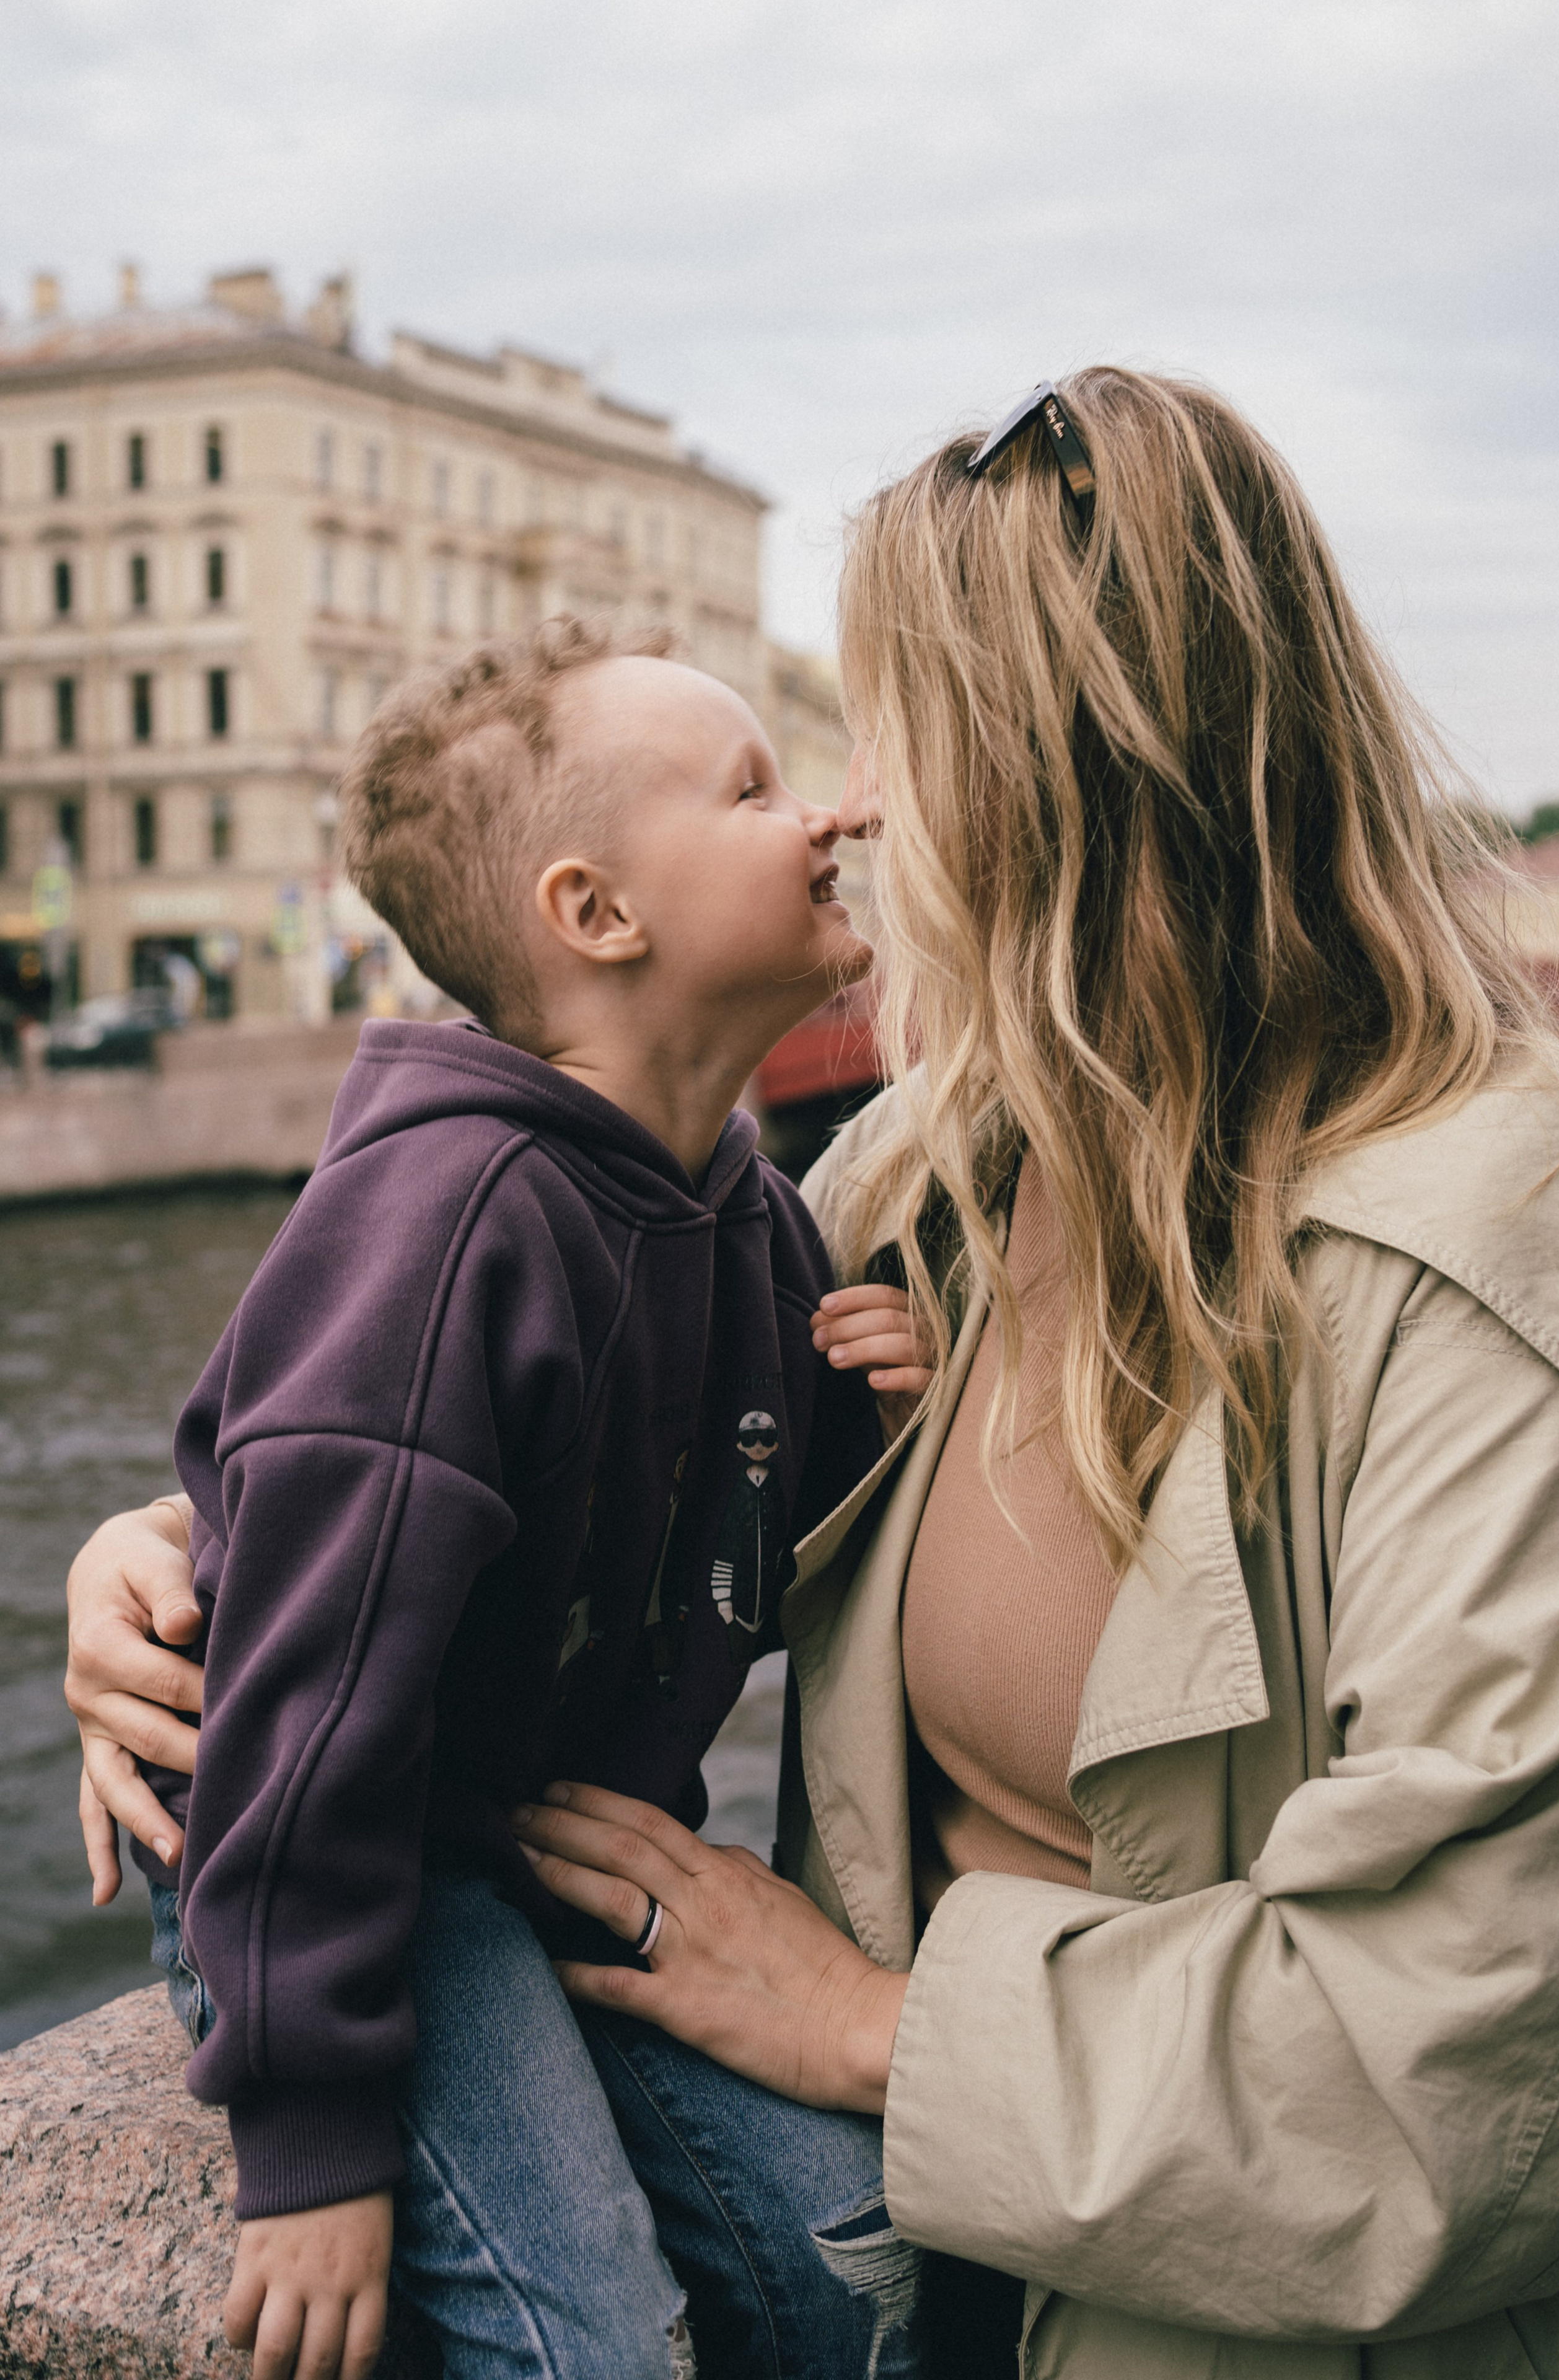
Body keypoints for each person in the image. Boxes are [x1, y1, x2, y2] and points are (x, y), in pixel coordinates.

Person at [68, 368, 1559, 2379]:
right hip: (905, 2245)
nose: (851, 809)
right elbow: (459, 1441)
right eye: (788, 773)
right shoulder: (914, 1183)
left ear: (1065, 781)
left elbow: (1468, 2080)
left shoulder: (1484, 1274)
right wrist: (169, 1559)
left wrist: (879, 2028)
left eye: (893, 742)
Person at [88, 615, 939, 2380]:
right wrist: (313, 2141)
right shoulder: (449, 1227)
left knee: (851, 2261)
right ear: (596, 913)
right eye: (753, 790)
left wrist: (894, 1416)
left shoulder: (751, 1215)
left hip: (535, 1832)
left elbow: (756, 1549)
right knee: (591, 2346)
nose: (826, 817)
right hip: (338, 1855)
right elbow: (306, 1717)